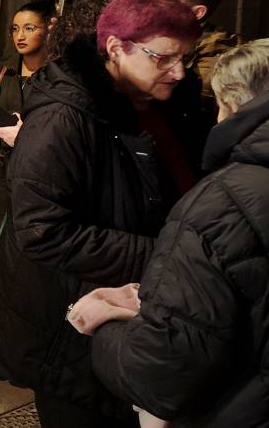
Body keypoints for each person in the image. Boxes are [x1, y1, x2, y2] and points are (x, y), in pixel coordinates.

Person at [0, 0, 200, 427]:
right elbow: (43, 230)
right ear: (117, 49)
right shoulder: (63, 120)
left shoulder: (146, 103)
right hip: (66, 330)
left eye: (186, 59)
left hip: (115, 317)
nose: (178, 72)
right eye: (164, 58)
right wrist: (160, 255)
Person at [88, 39, 269, 427]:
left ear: (233, 105)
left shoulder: (217, 206)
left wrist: (102, 330)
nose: (178, 72)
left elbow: (160, 369)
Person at [0, 0, 56, 253]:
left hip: (33, 179)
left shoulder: (56, 75)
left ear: (48, 29)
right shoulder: (3, 70)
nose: (20, 36)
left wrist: (25, 133)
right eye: (15, 29)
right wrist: (0, 127)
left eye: (29, 28)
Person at [152, 0, 242, 110]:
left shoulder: (218, 48)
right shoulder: (156, 32)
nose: (154, 4)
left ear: (198, 12)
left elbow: (194, 101)